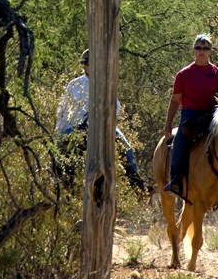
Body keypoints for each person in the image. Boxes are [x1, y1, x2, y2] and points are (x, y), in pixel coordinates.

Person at [56, 49, 149, 193]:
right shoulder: (74, 85)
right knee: (58, 151)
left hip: (103, 125)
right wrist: (60, 132)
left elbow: (116, 108)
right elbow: (62, 109)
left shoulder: (106, 84)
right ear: (84, 66)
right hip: (77, 126)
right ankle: (56, 181)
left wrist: (107, 120)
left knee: (127, 148)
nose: (91, 66)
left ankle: (137, 184)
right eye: (88, 63)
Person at [162, 33, 218, 200]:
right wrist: (168, 123)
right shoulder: (184, 74)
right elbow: (176, 100)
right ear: (193, 50)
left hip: (213, 114)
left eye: (205, 48)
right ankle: (176, 178)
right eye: (199, 48)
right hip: (190, 115)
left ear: (210, 51)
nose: (202, 51)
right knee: (181, 139)